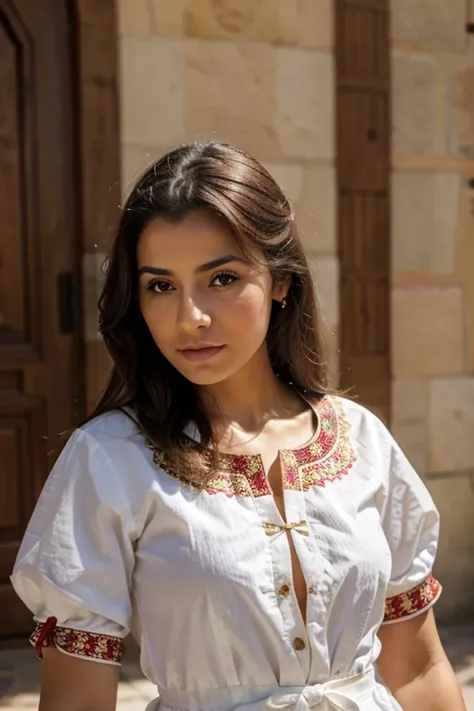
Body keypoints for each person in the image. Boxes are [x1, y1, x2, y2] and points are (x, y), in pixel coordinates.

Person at [11, 142, 465, 711]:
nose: (191, 317)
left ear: (280, 280)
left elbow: (419, 669)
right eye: (161, 285)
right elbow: (76, 703)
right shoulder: (108, 459)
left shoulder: (362, 441)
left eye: (221, 278)